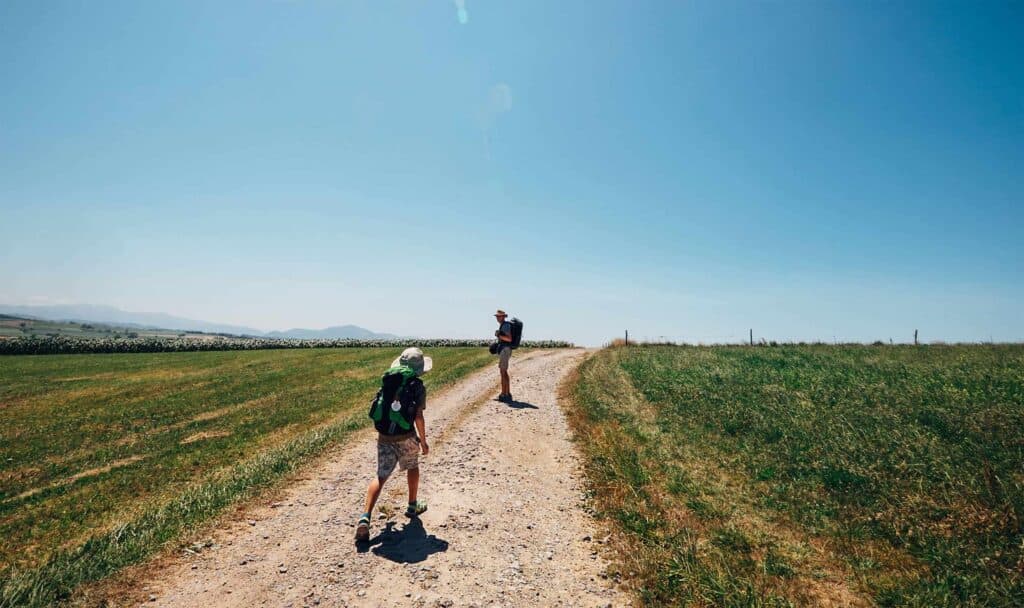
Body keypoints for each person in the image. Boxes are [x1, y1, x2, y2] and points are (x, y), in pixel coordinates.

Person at [355, 347, 431, 543]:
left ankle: (365, 516)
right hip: (406, 436)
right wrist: (423, 441)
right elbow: (419, 417)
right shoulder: (417, 386)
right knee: (412, 466)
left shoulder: (388, 382)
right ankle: (412, 505)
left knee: (380, 476)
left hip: (384, 436)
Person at [494, 309, 514, 402]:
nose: (497, 318)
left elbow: (509, 339)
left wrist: (499, 336)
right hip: (506, 349)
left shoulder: (505, 326)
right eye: (497, 316)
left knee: (502, 372)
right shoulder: (504, 325)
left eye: (499, 316)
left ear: (503, 317)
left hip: (505, 350)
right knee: (504, 371)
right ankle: (507, 393)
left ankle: (503, 394)